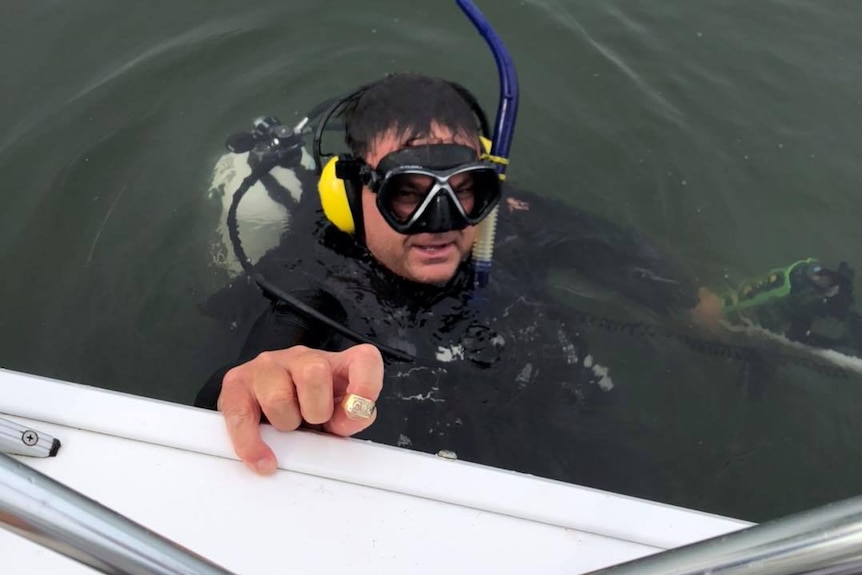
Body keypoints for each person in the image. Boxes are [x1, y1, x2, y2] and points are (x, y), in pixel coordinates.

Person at [196, 72, 732, 483]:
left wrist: (704, 310)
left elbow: (613, 252)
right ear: (351, 195)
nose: (444, 220)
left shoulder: (505, 218)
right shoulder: (311, 265)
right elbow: (251, 368)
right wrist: (259, 382)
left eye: (464, 187)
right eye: (408, 192)